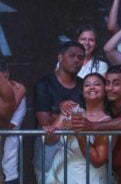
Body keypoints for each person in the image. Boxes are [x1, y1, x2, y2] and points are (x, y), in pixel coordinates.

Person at [70, 65, 121, 184]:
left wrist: (92, 126)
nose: (110, 88)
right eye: (107, 83)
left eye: (116, 84)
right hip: (111, 168)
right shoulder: (107, 105)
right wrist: (65, 104)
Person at [33, 41, 85, 184]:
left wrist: (63, 116)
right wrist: (65, 113)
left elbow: (90, 116)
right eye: (72, 56)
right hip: (49, 148)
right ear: (60, 58)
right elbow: (45, 123)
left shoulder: (84, 85)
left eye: (80, 58)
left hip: (76, 153)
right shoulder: (44, 84)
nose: (76, 60)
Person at [45, 73, 112, 184]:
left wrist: (78, 133)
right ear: (82, 91)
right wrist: (50, 132)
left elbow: (98, 160)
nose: (91, 87)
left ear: (105, 90)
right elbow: (50, 140)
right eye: (87, 85)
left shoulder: (106, 122)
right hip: (59, 175)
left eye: (97, 84)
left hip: (87, 178)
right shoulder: (71, 111)